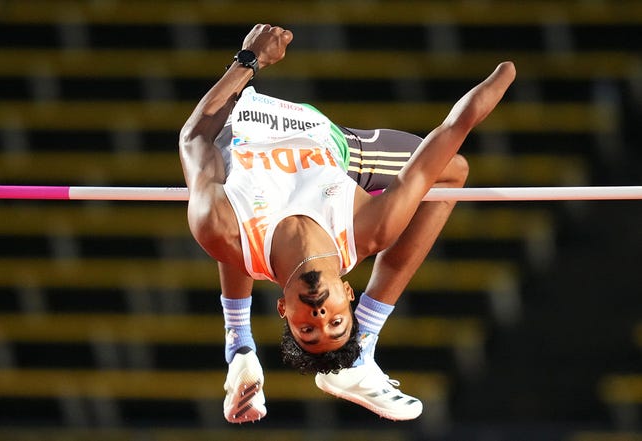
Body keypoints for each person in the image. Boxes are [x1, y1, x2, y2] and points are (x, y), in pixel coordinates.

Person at [179, 24, 516, 423]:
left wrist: (250, 60)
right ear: (348, 293)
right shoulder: (368, 229)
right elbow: (452, 130)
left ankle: (239, 343)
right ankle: (367, 338)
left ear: (284, 309)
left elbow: (194, 136)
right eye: (337, 323)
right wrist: (511, 68)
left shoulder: (222, 229)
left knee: (228, 232)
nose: (321, 318)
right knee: (451, 170)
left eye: (308, 331)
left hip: (242, 129)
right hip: (336, 147)